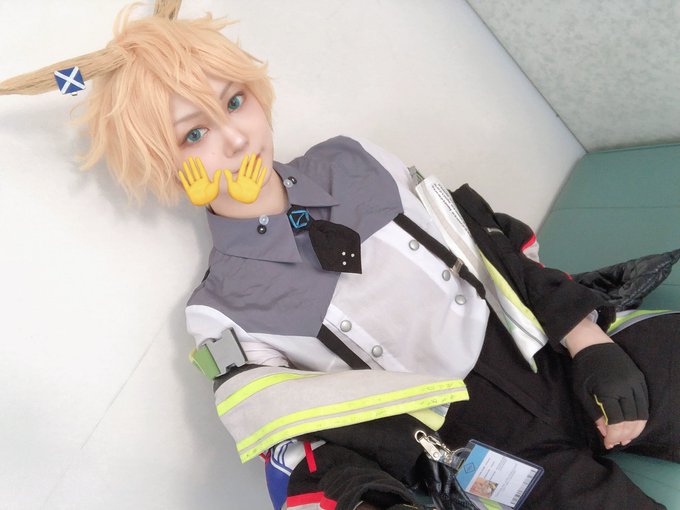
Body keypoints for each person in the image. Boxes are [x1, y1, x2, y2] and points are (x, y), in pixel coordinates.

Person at [1, 4, 677, 510]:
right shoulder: (222, 313)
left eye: (234, 101)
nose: (235, 138)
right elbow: (292, 443)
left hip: (551, 356)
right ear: (157, 163)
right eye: (193, 134)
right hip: (483, 456)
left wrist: (586, 338)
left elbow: (486, 241)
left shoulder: (354, 162)